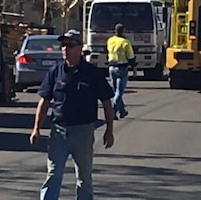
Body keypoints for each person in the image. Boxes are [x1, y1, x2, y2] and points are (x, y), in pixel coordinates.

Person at [30, 29, 115, 200]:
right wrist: (36, 128)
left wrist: (109, 130)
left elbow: (106, 102)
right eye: (63, 45)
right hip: (59, 131)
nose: (65, 49)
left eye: (70, 45)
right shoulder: (56, 71)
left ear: (80, 48)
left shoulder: (92, 73)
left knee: (84, 177)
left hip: (82, 131)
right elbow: (44, 101)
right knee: (53, 173)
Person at [106, 23, 136, 119]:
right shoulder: (125, 42)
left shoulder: (110, 40)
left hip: (111, 68)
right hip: (122, 69)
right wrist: (134, 69)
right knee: (119, 92)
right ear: (123, 31)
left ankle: (122, 111)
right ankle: (113, 112)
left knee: (116, 92)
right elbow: (131, 57)